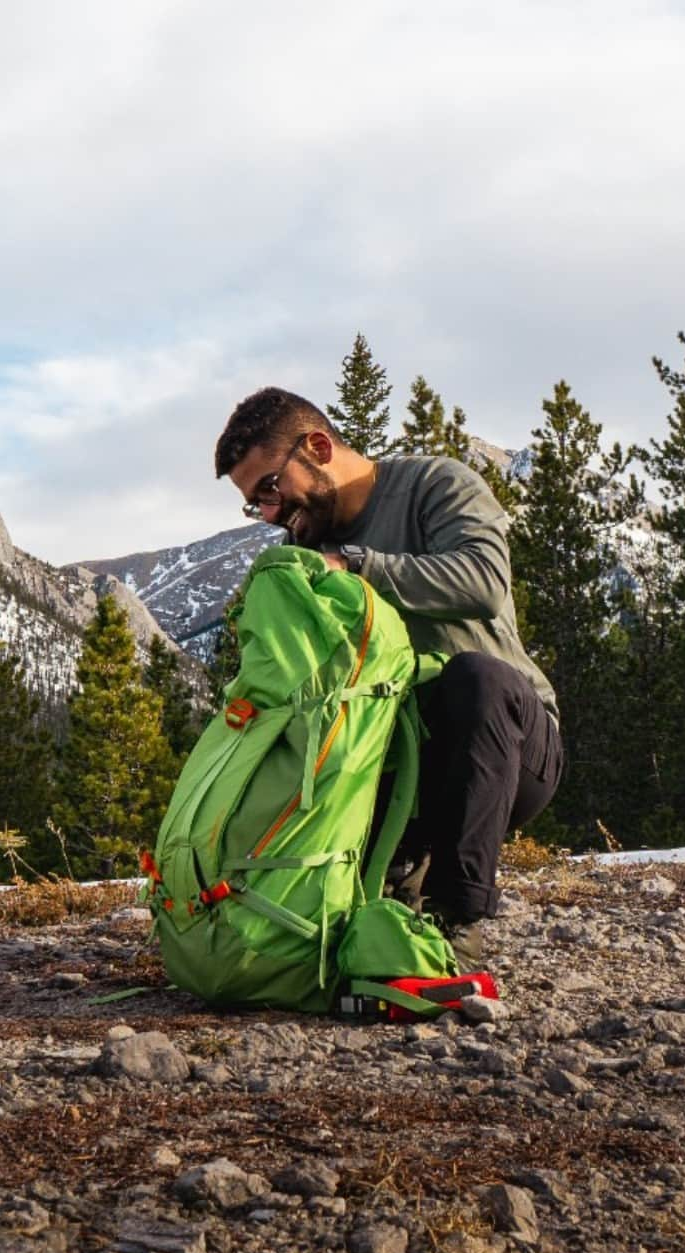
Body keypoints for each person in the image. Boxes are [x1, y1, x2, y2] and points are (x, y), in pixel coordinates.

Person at [215, 387, 561, 965]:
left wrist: (357, 567)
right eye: (256, 504)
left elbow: (482, 581)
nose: (269, 513)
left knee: (477, 678)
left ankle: (458, 918)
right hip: (394, 759)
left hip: (509, 746)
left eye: (270, 488)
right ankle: (384, 885)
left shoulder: (435, 485)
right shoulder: (309, 548)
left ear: (318, 447)